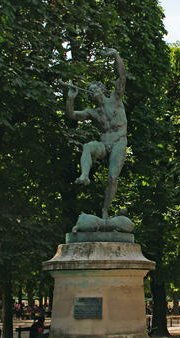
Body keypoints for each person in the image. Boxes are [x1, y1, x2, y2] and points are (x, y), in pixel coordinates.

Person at [66, 48, 128, 219]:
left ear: (101, 89)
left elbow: (122, 77)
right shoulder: (93, 113)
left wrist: (116, 55)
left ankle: (105, 211)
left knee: (112, 177)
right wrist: (71, 98)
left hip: (119, 142)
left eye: (95, 89)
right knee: (88, 146)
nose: (93, 92)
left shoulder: (115, 99)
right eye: (91, 91)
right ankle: (84, 175)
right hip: (104, 144)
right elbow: (72, 115)